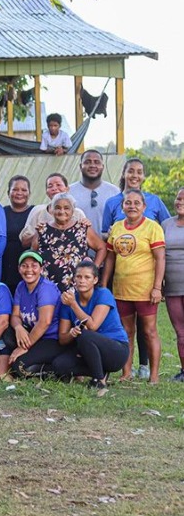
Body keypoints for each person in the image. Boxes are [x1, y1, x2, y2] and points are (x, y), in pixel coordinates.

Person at [101, 158, 170, 379]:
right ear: (122, 206)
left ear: (144, 206)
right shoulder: (116, 227)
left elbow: (160, 258)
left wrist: (157, 287)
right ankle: (126, 373)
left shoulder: (153, 227)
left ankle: (154, 376)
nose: (132, 206)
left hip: (145, 290)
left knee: (149, 331)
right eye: (128, 203)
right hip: (121, 289)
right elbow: (110, 258)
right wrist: (104, 283)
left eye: (136, 203)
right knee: (126, 332)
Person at [53, 261, 129, 389]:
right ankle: (101, 371)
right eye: (78, 277)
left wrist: (74, 305)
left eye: (87, 277)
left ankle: (99, 380)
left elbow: (93, 326)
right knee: (59, 365)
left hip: (116, 349)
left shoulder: (103, 294)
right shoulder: (69, 301)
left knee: (85, 335)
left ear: (95, 280)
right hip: (88, 350)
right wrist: (72, 334)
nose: (82, 281)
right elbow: (62, 339)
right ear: (74, 279)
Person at [8, 251, 66, 378]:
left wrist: (24, 347)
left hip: (51, 338)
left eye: (34, 266)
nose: (29, 270)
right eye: (24, 266)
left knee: (19, 367)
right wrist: (18, 327)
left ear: (41, 269)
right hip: (33, 335)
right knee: (7, 334)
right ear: (19, 269)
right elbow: (15, 316)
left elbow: (45, 322)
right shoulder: (21, 286)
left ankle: (60, 370)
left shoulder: (45, 288)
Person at [34, 193, 106, 292]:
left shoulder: (82, 228)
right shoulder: (42, 230)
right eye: (57, 208)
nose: (62, 211)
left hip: (77, 288)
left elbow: (102, 247)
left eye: (66, 208)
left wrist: (94, 268)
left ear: (73, 210)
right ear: (52, 210)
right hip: (48, 287)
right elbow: (33, 254)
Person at [19, 172, 87, 248]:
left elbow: (87, 241)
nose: (54, 188)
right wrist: (40, 233)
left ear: (67, 189)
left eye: (58, 185)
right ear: (46, 192)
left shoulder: (78, 213)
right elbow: (25, 243)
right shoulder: (38, 211)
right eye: (50, 186)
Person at [69, 149, 120, 239]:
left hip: (107, 245)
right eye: (87, 162)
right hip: (76, 245)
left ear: (102, 166)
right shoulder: (69, 192)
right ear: (80, 166)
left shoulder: (114, 192)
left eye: (97, 162)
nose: (92, 165)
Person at [162, 188, 184, 382]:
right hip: (172, 287)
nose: (180, 202)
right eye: (178, 198)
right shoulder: (166, 224)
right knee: (180, 332)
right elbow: (159, 255)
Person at [2, 175, 34, 294]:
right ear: (8, 193)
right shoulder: (1, 212)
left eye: (24, 190)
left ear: (29, 193)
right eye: (15, 189)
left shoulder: (35, 212)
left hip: (28, 268)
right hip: (5, 267)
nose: (19, 193)